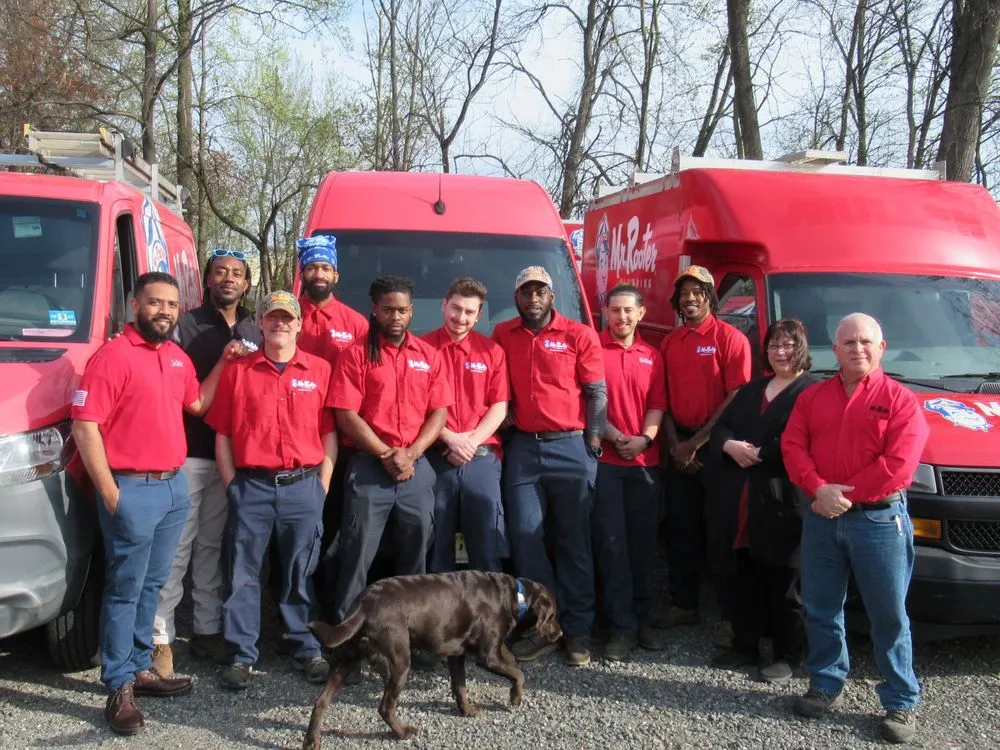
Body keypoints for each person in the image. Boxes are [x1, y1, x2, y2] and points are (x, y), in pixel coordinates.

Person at [71, 271, 240, 736]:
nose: (164, 311)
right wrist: (111, 494)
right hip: (132, 489)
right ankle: (119, 685)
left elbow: (200, 404)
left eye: (171, 304)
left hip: (172, 488)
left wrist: (225, 360)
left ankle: (142, 665)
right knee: (124, 589)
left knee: (152, 585)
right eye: (155, 303)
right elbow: (85, 427)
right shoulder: (112, 358)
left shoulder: (177, 358)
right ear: (134, 305)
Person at [782, 312, 929, 745]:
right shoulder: (813, 397)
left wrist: (841, 495)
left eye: (866, 342)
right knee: (822, 607)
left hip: (879, 521)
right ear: (836, 348)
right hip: (822, 520)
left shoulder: (900, 400)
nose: (857, 349)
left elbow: (899, 464)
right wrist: (817, 490)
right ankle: (826, 683)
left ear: (881, 348)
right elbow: (793, 445)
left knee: (889, 615)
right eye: (849, 343)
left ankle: (901, 699)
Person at [206, 290, 337, 691]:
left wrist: (322, 486)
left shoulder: (319, 370)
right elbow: (223, 434)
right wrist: (233, 487)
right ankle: (242, 654)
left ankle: (304, 646)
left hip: (303, 487)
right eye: (272, 318)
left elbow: (329, 433)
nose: (279, 324)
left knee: (300, 571)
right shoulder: (239, 371)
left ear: (299, 323)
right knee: (243, 574)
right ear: (260, 323)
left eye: (287, 318)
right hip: (253, 488)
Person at [151, 249, 260, 676]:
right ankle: (160, 637)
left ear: (247, 284)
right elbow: (182, 391)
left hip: (235, 454)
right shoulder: (186, 324)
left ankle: (207, 629)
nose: (228, 279)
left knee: (213, 546)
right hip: (192, 450)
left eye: (236, 274)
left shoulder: (258, 325)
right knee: (177, 546)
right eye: (220, 273)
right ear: (207, 281)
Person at [493, 266, 607, 667]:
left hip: (571, 447)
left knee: (574, 541)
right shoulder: (502, 335)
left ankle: (577, 631)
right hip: (524, 447)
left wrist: (591, 445)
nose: (533, 299)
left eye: (540, 291)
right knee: (524, 537)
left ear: (552, 296)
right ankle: (545, 626)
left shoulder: (579, 334)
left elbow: (596, 393)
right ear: (517, 297)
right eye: (526, 292)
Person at [328, 275, 452, 628]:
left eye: (402, 310)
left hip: (416, 469)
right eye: (387, 310)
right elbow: (346, 414)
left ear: (412, 311)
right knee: (357, 556)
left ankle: (411, 634)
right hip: (369, 467)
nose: (395, 317)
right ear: (375, 310)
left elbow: (439, 411)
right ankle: (348, 634)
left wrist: (411, 454)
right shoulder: (355, 355)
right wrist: (387, 453)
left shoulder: (429, 356)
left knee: (417, 556)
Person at [708, 319, 820, 681]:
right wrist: (728, 445)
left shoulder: (811, 393)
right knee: (744, 575)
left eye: (788, 346)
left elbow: (804, 442)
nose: (781, 352)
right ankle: (746, 645)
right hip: (741, 502)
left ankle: (789, 655)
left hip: (783, 503)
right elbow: (722, 426)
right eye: (774, 346)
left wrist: (760, 453)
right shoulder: (753, 389)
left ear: (802, 348)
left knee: (785, 582)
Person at [657, 265, 751, 649]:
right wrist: (676, 445)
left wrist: (696, 443)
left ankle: (731, 616)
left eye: (698, 291)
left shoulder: (730, 339)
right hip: (678, 445)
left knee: (722, 534)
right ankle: (684, 604)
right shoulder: (671, 342)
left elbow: (736, 398)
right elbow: (659, 399)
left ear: (710, 296)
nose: (690, 298)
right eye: (684, 293)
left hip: (718, 450)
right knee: (680, 529)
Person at [294, 234, 369, 619]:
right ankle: (293, 614)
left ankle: (328, 612)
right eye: (312, 267)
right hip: (293, 444)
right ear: (302, 272)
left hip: (341, 444)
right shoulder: (287, 316)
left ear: (336, 274)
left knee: (336, 530)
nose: (318, 274)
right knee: (295, 535)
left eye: (325, 268)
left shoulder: (355, 323)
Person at [593, 285, 667, 661]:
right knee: (611, 545)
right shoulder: (592, 350)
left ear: (641, 313)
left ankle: (643, 620)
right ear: (605, 312)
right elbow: (589, 402)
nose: (621, 317)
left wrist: (644, 439)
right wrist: (616, 436)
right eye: (615, 310)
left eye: (628, 311)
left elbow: (657, 404)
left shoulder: (652, 356)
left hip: (644, 465)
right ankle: (620, 627)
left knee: (642, 545)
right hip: (606, 463)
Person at [423, 277, 509, 573]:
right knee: (435, 544)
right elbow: (416, 407)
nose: (461, 317)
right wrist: (449, 438)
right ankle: (437, 617)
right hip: (435, 458)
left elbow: (499, 406)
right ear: (443, 306)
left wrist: (469, 442)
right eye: (456, 308)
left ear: (479, 314)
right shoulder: (421, 350)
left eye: (469, 312)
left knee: (487, 543)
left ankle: (490, 616)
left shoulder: (492, 352)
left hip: (481, 458)